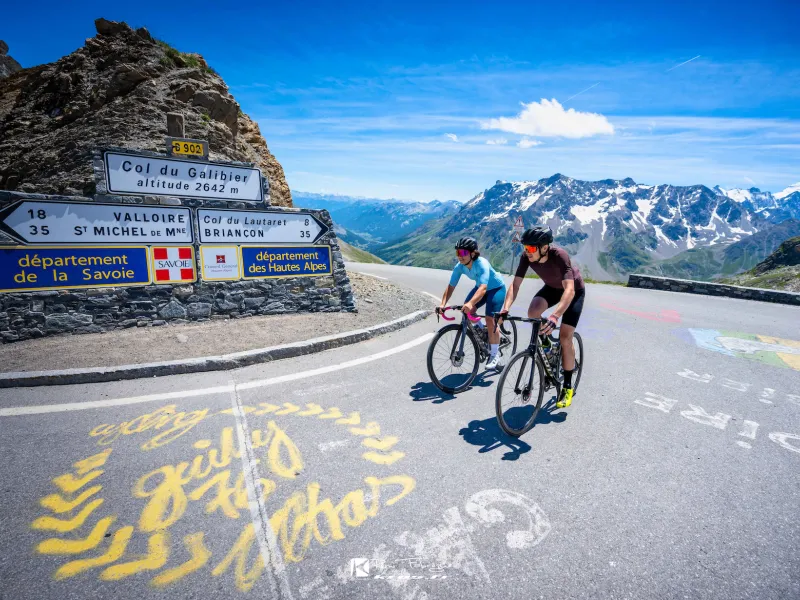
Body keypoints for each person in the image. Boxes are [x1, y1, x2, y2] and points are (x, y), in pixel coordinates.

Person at [497, 226, 585, 408]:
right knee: (533, 312)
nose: (526, 252)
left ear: (544, 247)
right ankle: (547, 345)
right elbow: (515, 285)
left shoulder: (559, 256)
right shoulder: (525, 257)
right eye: (524, 248)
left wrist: (554, 316)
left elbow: (569, 290)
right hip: (552, 288)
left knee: (565, 337)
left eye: (530, 248)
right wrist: (505, 308)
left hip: (574, 292)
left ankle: (567, 387)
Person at [437, 237, 508, 370]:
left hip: (496, 288)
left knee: (490, 319)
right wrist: (442, 304)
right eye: (457, 253)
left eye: (463, 253)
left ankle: (495, 354)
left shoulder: (481, 263)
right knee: (467, 309)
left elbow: (483, 288)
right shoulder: (460, 267)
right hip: (481, 287)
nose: (460, 256)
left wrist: (470, 303)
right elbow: (451, 286)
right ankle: (482, 331)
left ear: (473, 253)